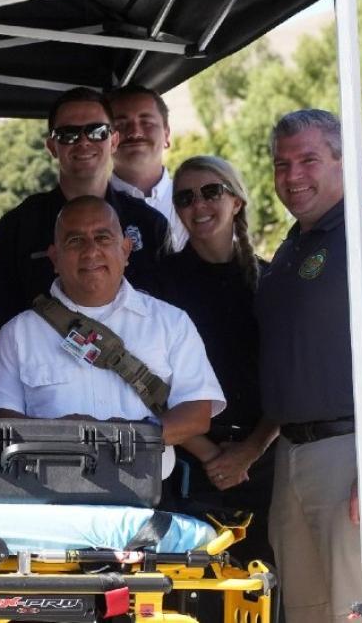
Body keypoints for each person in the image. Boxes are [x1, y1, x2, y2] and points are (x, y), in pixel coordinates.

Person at [256, 109, 362, 621]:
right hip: (293, 460)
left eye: (308, 160)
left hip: (357, 453)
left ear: (344, 162)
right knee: (308, 612)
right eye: (281, 164)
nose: (293, 175)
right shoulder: (288, 251)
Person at [0, 196, 223, 454]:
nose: (91, 251)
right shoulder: (18, 334)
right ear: (55, 258)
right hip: (47, 488)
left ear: (126, 250)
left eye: (103, 238)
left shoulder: (172, 322)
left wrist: (130, 437)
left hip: (148, 489)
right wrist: (57, 436)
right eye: (75, 241)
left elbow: (197, 413)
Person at [136, 156, 274, 566]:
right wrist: (212, 456)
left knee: (264, 588)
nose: (199, 205)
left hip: (263, 463)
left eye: (212, 191)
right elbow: (139, 379)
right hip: (186, 464)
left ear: (237, 200)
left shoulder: (272, 281)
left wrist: (249, 451)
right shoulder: (157, 283)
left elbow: (291, 378)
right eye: (185, 197)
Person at [0, 87, 169, 328]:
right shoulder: (18, 226)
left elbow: (171, 312)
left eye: (97, 132)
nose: (84, 142)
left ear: (114, 141)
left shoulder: (149, 224)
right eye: (68, 134)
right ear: (52, 147)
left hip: (136, 361)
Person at [108, 84, 188, 251]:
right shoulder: (91, 208)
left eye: (147, 122)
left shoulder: (198, 203)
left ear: (166, 133)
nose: (135, 132)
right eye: (121, 125)